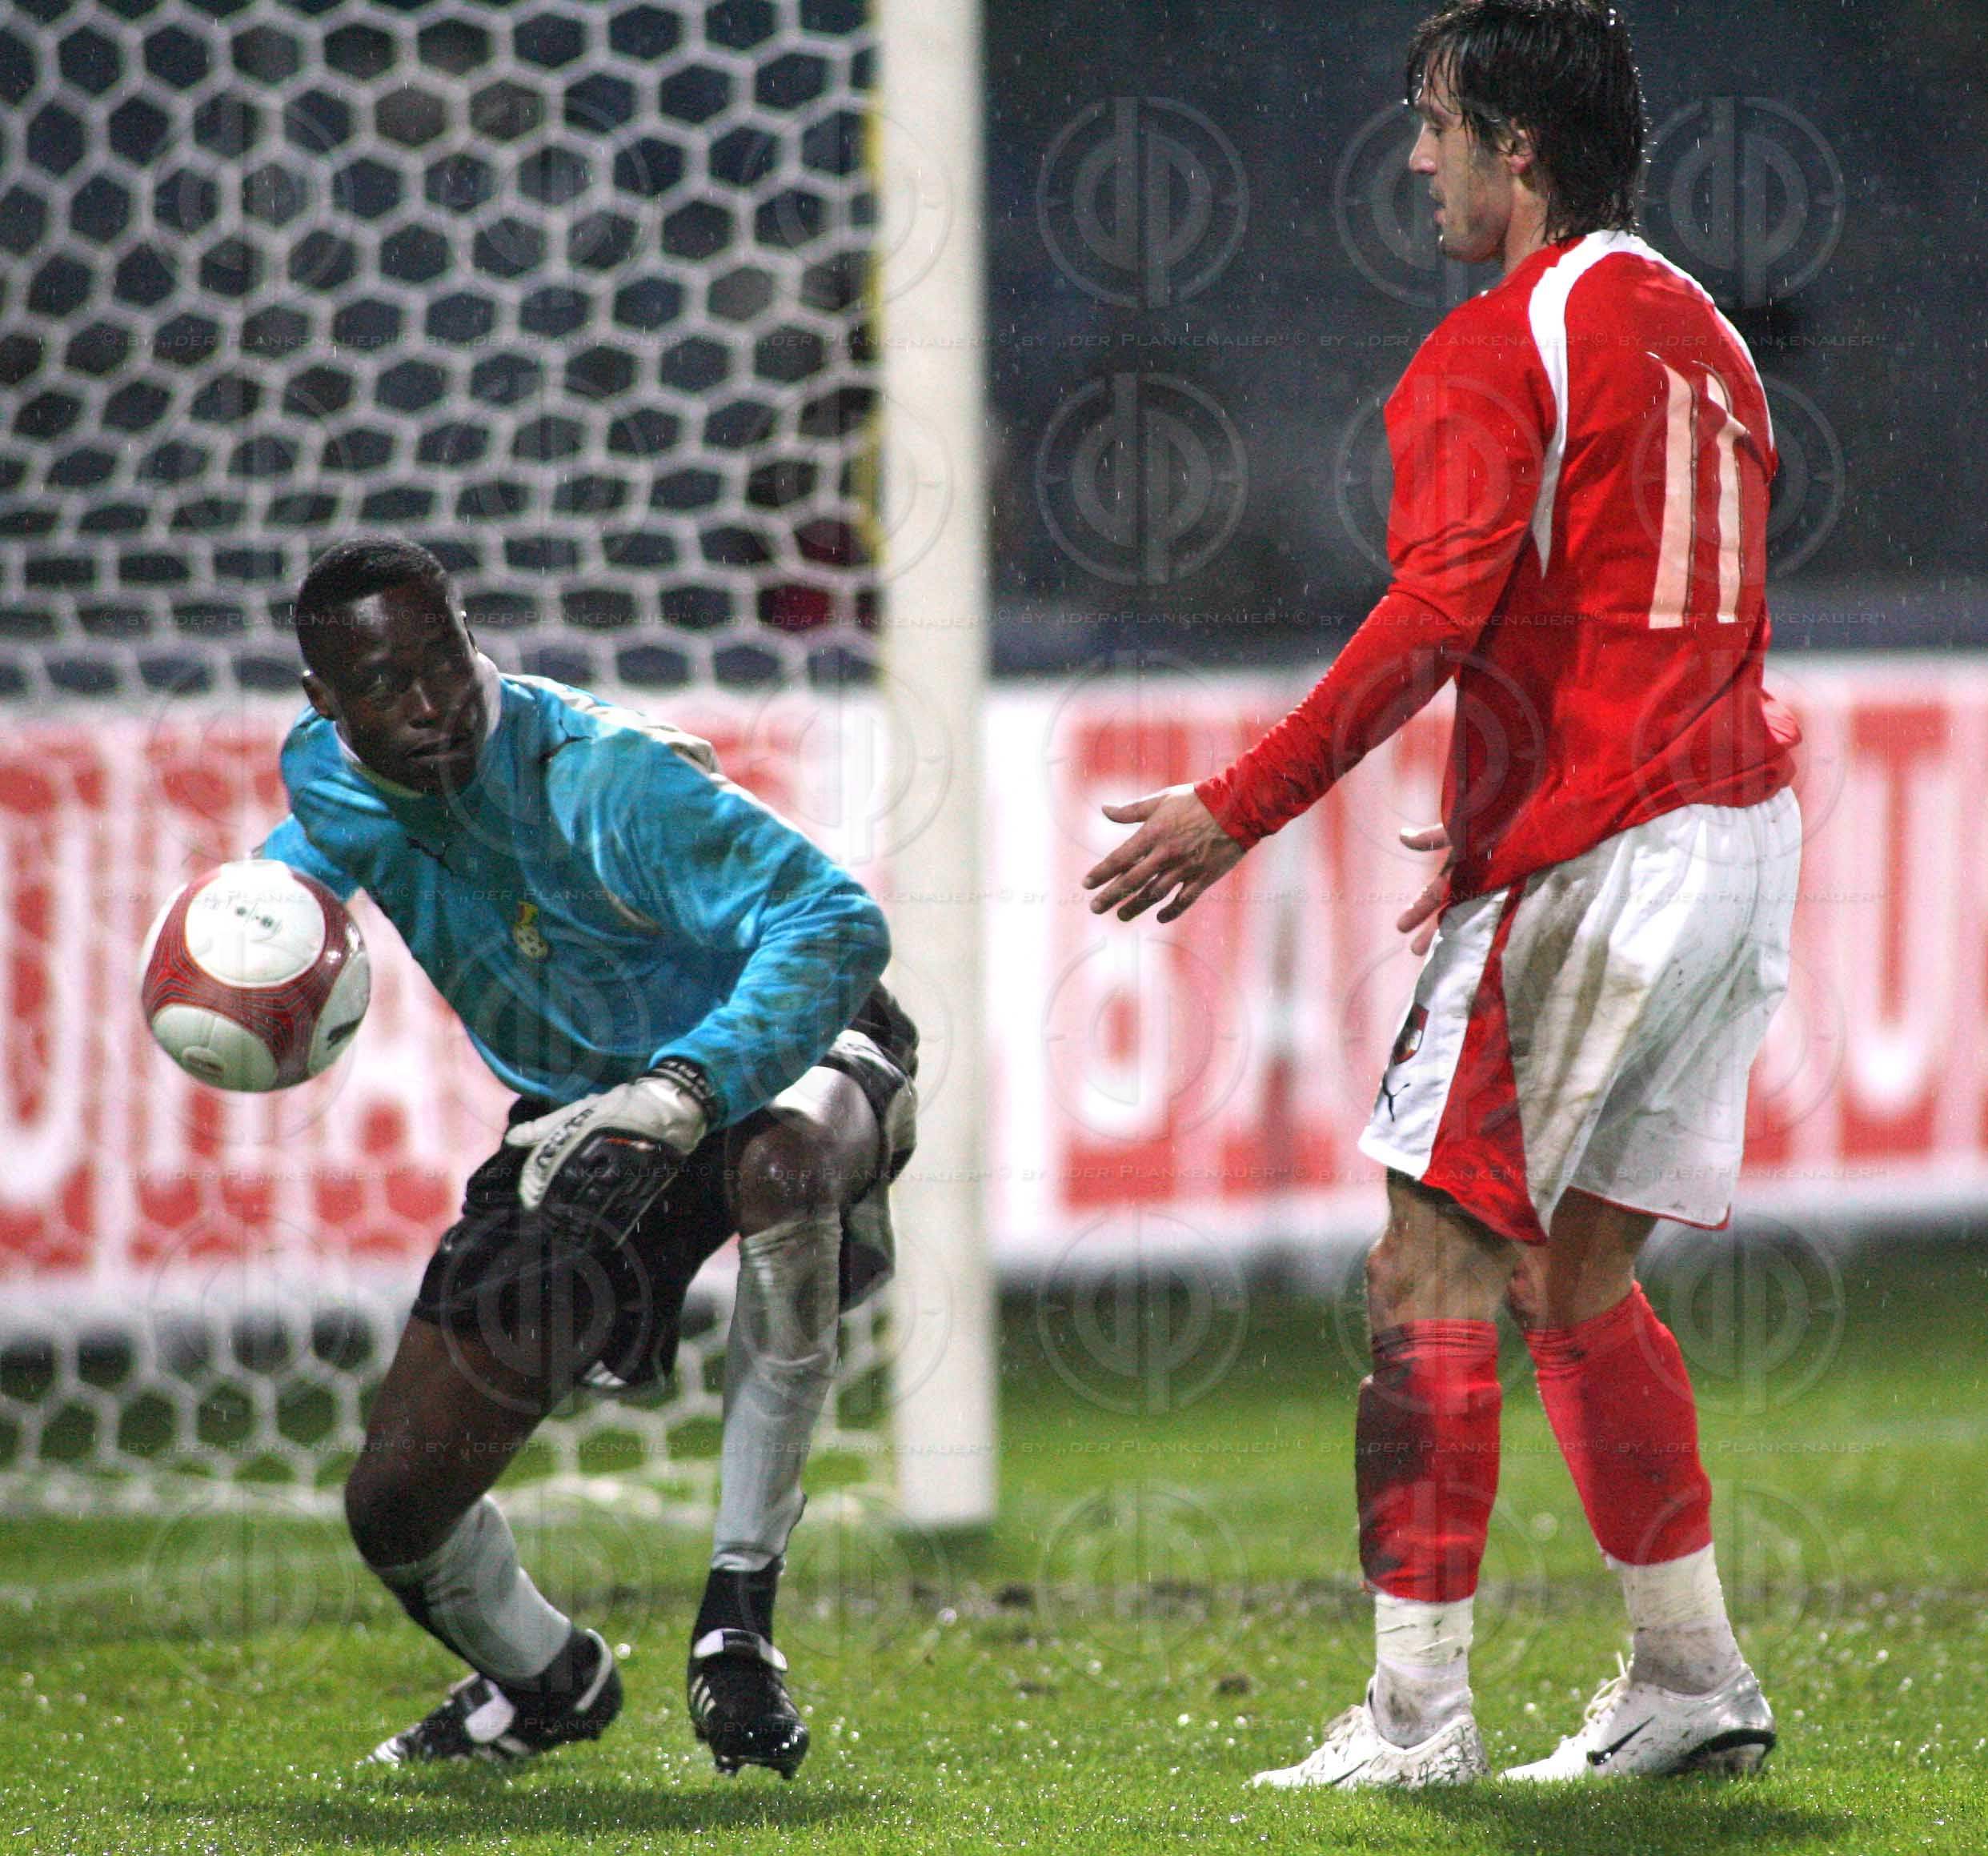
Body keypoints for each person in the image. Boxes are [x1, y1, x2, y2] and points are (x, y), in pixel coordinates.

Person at [1084, 0, 1801, 1790]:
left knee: (1428, 1260)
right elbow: (1626, 606)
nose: (1418, 161)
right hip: (1733, 837)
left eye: (1436, 125)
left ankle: (1415, 1720)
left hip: (1614, 845)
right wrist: (1500, 822)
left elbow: (1433, 612)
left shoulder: (1500, 339)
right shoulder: (1703, 330)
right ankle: (1691, 1675)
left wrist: (1234, 808)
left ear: (1515, 148)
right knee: (1576, 1273)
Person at [259, 537, 917, 1778]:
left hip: (777, 1048)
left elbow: (836, 924)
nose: (432, 703)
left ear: (472, 641)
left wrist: (687, 1088)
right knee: (395, 1505)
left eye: (445, 662)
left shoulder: (604, 779)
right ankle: (548, 1681)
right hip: (582, 1112)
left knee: (782, 1164)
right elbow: (324, 840)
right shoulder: (324, 772)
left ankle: (737, 1621)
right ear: (324, 701)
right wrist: (257, 928)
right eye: (387, 684)